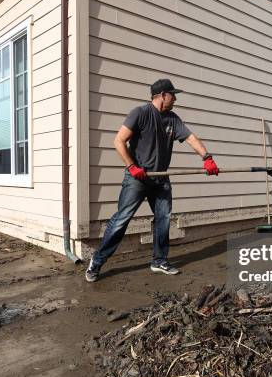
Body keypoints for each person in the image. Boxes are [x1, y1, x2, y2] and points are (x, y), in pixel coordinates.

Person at [85, 79, 219, 282]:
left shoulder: (173, 119)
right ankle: (97, 260)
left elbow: (191, 138)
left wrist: (207, 157)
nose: (175, 98)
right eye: (172, 95)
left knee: (163, 219)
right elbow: (119, 141)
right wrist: (132, 166)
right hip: (137, 178)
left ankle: (159, 261)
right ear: (163, 95)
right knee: (122, 220)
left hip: (160, 178)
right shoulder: (140, 113)